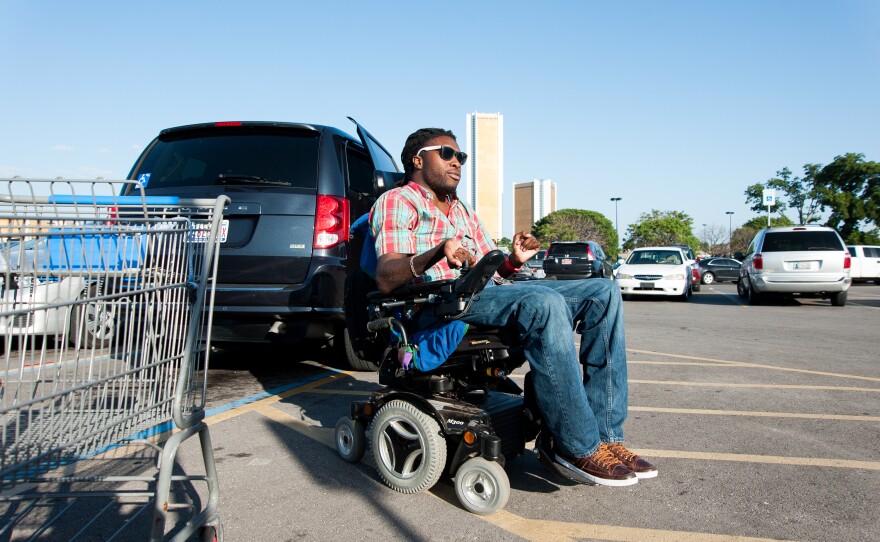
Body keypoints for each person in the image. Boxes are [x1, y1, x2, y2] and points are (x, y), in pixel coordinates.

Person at [370, 127, 657, 486]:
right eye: (447, 153)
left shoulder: (463, 209)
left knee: (604, 292)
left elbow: (489, 273)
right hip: (438, 303)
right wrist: (438, 251)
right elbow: (386, 276)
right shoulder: (398, 201)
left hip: (482, 294)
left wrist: (512, 261)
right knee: (544, 302)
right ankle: (575, 445)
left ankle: (606, 436)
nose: (457, 162)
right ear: (417, 160)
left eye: (461, 157)